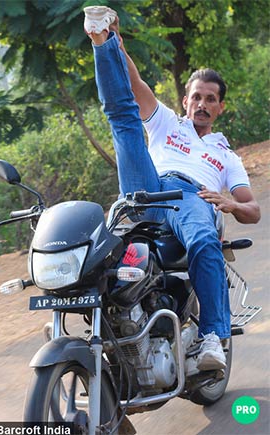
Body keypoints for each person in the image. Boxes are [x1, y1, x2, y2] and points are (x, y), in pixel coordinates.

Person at [83, 6, 260, 370]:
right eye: (197, 97)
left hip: (190, 197)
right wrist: (115, 39)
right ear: (185, 100)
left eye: (211, 99)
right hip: (146, 190)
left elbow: (253, 210)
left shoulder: (226, 156)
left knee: (203, 239)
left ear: (220, 107)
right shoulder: (168, 123)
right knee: (124, 121)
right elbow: (135, 84)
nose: (202, 104)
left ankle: (213, 336)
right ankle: (98, 39)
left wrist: (228, 203)